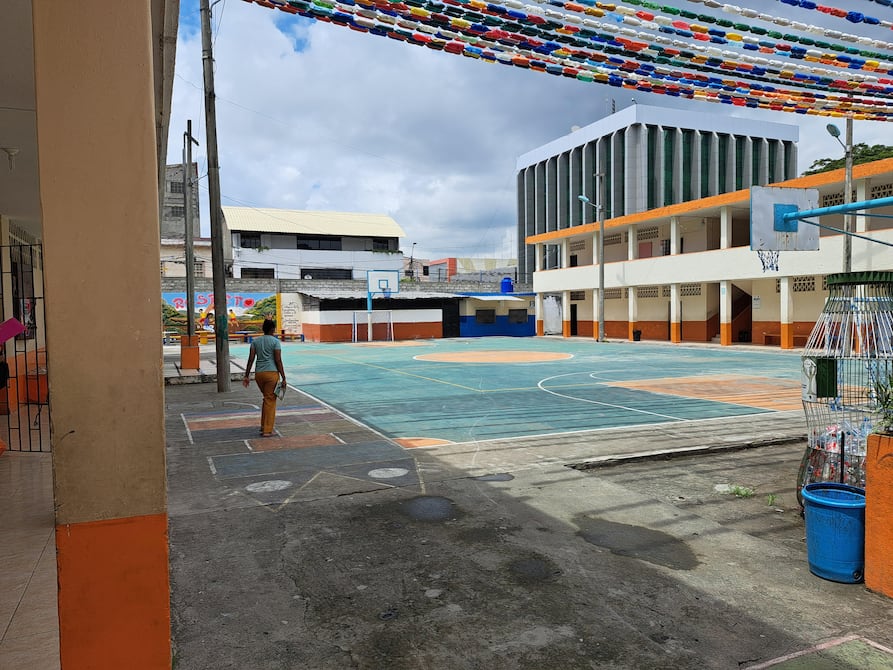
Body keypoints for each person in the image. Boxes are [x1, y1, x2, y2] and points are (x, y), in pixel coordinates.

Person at [242, 319, 286, 437]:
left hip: (259, 374)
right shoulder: (275, 342)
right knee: (270, 400)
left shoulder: (255, 342)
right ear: (273, 329)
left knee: (266, 399)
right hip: (272, 374)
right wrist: (283, 377)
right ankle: (267, 430)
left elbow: (251, 359)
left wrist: (246, 375)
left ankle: (263, 426)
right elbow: (278, 360)